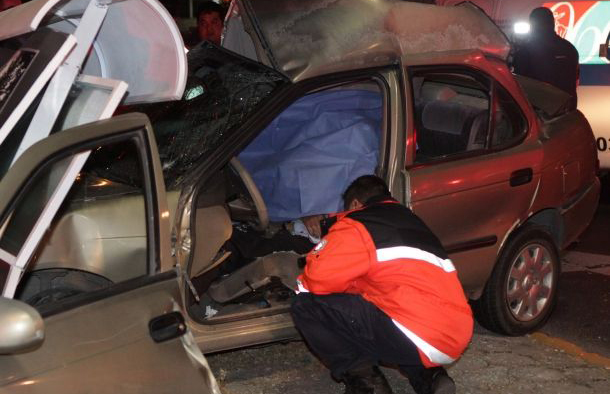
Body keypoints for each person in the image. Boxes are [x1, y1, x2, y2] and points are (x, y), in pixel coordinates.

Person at [291, 175, 473, 394]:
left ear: (356, 204)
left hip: (417, 332)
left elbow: (318, 280)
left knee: (307, 305)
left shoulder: (358, 223)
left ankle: (368, 384)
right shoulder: (412, 221)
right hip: (456, 333)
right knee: (395, 311)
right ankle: (430, 378)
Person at [512, 7, 579, 108]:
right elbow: (576, 79)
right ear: (553, 23)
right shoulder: (570, 49)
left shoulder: (525, 51)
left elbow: (520, 84)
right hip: (567, 110)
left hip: (539, 113)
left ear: (532, 25)